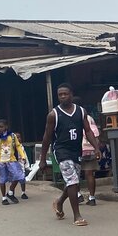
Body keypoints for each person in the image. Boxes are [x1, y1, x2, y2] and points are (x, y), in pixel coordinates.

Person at [39, 83, 101, 227]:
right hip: (61, 151)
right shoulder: (53, 115)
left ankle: (59, 202)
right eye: (60, 95)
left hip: (76, 151)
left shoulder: (80, 111)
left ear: (71, 94)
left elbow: (88, 131)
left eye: (65, 94)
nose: (62, 97)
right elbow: (46, 137)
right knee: (73, 182)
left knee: (74, 183)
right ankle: (77, 216)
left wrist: (96, 147)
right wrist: (42, 159)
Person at [0, 119, 27, 206]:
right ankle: (4, 198)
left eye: (1, 127)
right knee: (3, 179)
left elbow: (18, 146)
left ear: (6, 127)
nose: (0, 129)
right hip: (0, 161)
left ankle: (10, 192)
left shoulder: (12, 136)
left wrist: (23, 156)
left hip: (11, 160)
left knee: (18, 175)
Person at [74, 97, 100, 206]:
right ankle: (92, 197)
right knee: (89, 174)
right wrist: (96, 148)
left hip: (78, 149)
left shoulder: (73, 118)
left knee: (75, 175)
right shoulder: (89, 118)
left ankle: (79, 195)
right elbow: (96, 133)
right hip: (90, 149)